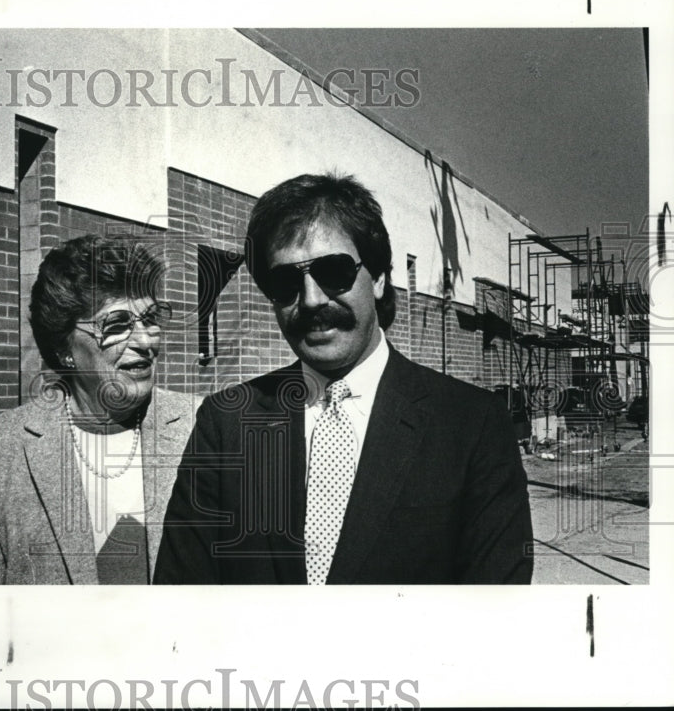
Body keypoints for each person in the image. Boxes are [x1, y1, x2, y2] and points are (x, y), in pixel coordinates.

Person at [155, 173, 533, 584]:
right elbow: (181, 603)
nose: (312, 299)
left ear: (380, 277)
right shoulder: (226, 423)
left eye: (333, 272)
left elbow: (495, 614)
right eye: (285, 282)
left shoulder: (471, 425)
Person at [0, 234, 193, 584]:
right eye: (117, 325)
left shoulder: (201, 427)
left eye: (150, 318)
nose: (145, 342)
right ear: (64, 347)